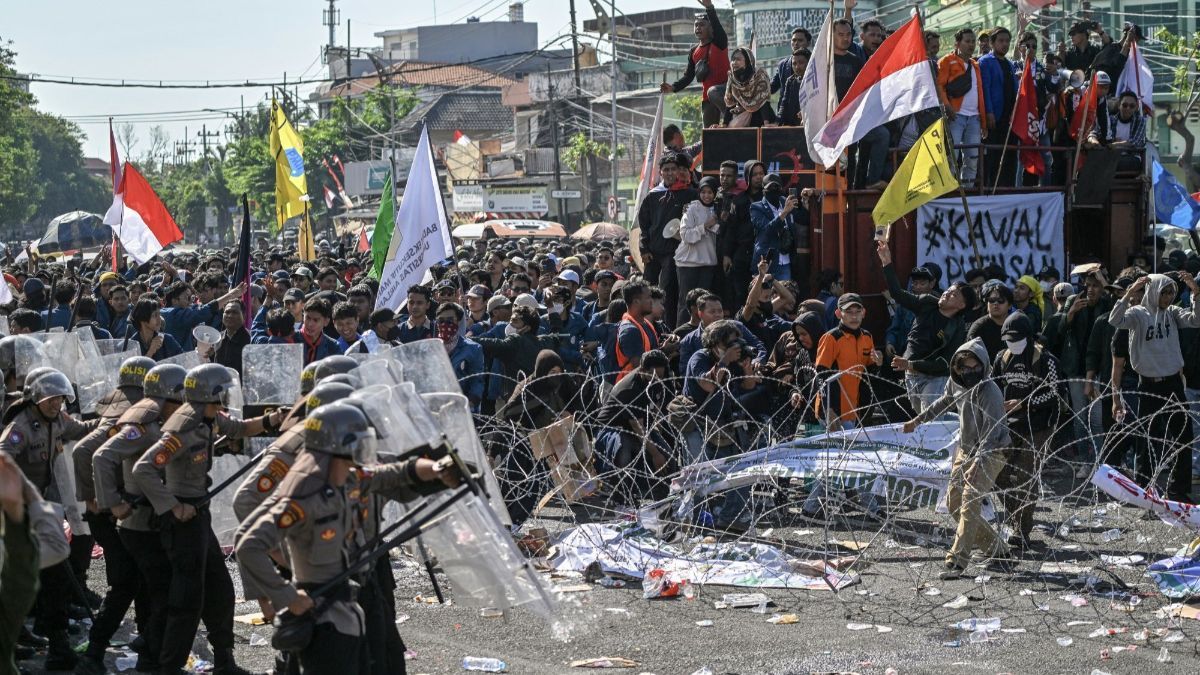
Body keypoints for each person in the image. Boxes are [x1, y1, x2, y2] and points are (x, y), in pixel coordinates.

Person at [235, 402, 457, 674]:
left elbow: (394, 473)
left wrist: (437, 469)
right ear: (336, 447)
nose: (363, 451)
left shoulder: (346, 477)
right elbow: (247, 544)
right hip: (321, 616)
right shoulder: (305, 494)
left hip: (346, 606)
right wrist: (287, 596)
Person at [131, 364, 284, 675]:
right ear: (208, 394)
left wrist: (271, 420)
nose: (225, 397)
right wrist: (172, 507)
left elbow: (238, 429)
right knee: (187, 600)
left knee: (220, 589)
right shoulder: (184, 428)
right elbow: (143, 469)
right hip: (184, 519)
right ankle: (168, 666)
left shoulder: (208, 417)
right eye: (221, 391)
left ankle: (224, 659)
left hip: (199, 518)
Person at [84, 363, 189, 674]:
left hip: (143, 521)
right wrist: (108, 502)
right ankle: (95, 653)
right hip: (134, 521)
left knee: (148, 589)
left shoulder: (153, 418)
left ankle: (148, 652)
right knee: (130, 587)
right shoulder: (143, 422)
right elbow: (98, 455)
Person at [0, 369, 98, 670]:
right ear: (35, 398)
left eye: (59, 399)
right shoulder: (21, 426)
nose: (56, 404)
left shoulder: (57, 420)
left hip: (38, 508)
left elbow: (81, 429)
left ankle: (53, 640)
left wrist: (112, 424)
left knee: (51, 576)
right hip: (15, 512)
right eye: (50, 399)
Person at [905, 338, 1012, 579]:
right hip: (967, 449)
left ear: (983, 366)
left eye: (976, 368)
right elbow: (944, 402)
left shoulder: (989, 391)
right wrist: (918, 420)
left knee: (970, 499)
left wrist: (977, 463)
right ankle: (996, 548)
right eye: (965, 368)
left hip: (993, 451)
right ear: (957, 368)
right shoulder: (956, 383)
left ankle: (957, 560)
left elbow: (992, 433)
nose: (970, 372)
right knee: (954, 502)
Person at [1108, 272, 1200, 501]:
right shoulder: (1138, 314)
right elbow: (1115, 320)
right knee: (1147, 438)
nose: (1168, 297)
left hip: (1172, 384)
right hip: (1147, 384)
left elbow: (1196, 320)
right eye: (1164, 292)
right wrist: (1130, 292)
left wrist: (1195, 292)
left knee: (1183, 435)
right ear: (1154, 292)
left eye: (1171, 292)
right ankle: (1144, 489)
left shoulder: (1173, 314)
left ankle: (1179, 490)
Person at [878, 241, 975, 413]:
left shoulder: (957, 327)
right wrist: (887, 262)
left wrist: (911, 364)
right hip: (910, 373)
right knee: (921, 421)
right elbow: (898, 294)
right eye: (948, 290)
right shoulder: (927, 302)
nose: (946, 293)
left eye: (953, 294)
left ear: (961, 305)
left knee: (929, 419)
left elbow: (944, 363)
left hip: (934, 377)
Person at [992, 312, 1061, 549]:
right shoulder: (1002, 357)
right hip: (1009, 425)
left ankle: (1022, 530)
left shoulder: (1045, 359)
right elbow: (992, 386)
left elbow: (1053, 393)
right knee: (997, 474)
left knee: (1025, 476)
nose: (1013, 343)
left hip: (1039, 426)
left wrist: (1024, 403)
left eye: (1017, 338)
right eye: (1008, 338)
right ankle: (1015, 517)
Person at [832, 18, 889, 189]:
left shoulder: (856, 61)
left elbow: (865, 89)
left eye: (848, 34)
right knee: (840, 160)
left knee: (881, 135)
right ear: (832, 36)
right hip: (830, 120)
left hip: (853, 118)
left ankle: (870, 183)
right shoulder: (823, 61)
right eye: (841, 34)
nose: (845, 38)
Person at [814, 293, 883, 431]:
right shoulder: (831, 338)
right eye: (849, 312)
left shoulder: (867, 337)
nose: (854, 316)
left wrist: (878, 362)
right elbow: (821, 375)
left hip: (857, 409)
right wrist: (828, 410)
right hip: (835, 411)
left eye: (858, 312)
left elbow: (870, 374)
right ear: (839, 313)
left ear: (863, 313)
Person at [660, 0, 730, 127]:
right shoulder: (694, 51)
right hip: (708, 99)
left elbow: (717, 25)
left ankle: (730, 116)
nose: (698, 28)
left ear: (710, 27)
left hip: (726, 93)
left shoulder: (719, 42)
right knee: (709, 135)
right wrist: (673, 87)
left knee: (729, 125)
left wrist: (709, 7)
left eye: (702, 25)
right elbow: (688, 76)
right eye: (696, 25)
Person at [667, 176, 721, 325]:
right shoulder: (691, 208)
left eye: (710, 192)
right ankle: (681, 335)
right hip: (688, 263)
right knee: (686, 302)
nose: (707, 195)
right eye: (703, 192)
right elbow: (685, 235)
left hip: (708, 262)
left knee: (705, 303)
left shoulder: (718, 209)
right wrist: (705, 226)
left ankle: (702, 334)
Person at [938, 28, 987, 188]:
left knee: (972, 158)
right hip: (955, 116)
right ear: (957, 43)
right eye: (967, 41)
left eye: (973, 41)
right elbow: (939, 86)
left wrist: (983, 121)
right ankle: (950, 192)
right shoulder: (946, 61)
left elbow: (980, 93)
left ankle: (968, 191)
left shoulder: (975, 65)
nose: (971, 44)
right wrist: (947, 106)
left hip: (974, 118)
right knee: (952, 157)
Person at [979, 27, 1018, 188]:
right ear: (992, 43)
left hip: (1010, 118)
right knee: (993, 156)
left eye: (1007, 41)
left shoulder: (1010, 64)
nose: (1005, 44)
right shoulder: (985, 62)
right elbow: (985, 88)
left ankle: (1007, 189)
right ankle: (989, 189)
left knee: (1010, 155)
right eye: (1001, 41)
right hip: (995, 116)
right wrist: (988, 112)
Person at [750, 174, 805, 281]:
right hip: (767, 262)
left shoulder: (786, 202)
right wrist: (784, 213)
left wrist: (806, 203)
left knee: (785, 294)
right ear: (763, 190)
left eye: (776, 187)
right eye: (770, 188)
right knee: (765, 296)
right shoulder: (756, 207)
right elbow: (767, 229)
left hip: (786, 261)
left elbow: (801, 220)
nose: (774, 191)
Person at [436, 302, 485, 410]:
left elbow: (477, 381)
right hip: (438, 410)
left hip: (463, 409)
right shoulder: (432, 348)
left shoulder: (472, 349)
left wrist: (470, 403)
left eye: (450, 320)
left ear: (458, 322)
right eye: (441, 321)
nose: (445, 324)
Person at [1086, 91, 1147, 171]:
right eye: (1125, 105)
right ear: (1119, 105)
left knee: (1108, 163)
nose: (1128, 108)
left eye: (1132, 106)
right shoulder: (1110, 120)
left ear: (1136, 107)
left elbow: (1135, 142)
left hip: (1130, 157)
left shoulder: (1140, 121)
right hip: (1110, 156)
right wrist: (1093, 141)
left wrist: (1114, 144)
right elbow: (1093, 133)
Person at [722, 47, 776, 127]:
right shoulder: (732, 78)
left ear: (747, 61)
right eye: (733, 60)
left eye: (738, 59)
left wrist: (766, 124)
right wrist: (724, 124)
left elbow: (763, 101)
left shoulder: (759, 75)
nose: (734, 63)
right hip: (743, 117)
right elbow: (730, 103)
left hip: (761, 117)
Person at [125, 296, 184, 361]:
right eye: (154, 315)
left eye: (159, 314)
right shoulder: (132, 345)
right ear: (142, 319)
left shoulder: (167, 340)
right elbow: (134, 369)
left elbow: (184, 360)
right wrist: (151, 351)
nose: (159, 319)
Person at [967, 283, 1014, 361]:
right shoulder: (979, 327)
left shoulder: (1016, 324)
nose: (995, 303)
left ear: (1009, 305)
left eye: (1001, 300)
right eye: (991, 300)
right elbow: (970, 356)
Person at [770, 27, 812, 94]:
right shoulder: (783, 65)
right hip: (786, 103)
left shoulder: (814, 62)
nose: (796, 43)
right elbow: (772, 88)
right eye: (794, 40)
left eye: (800, 40)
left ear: (808, 43)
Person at [777, 50, 810, 127]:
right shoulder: (790, 81)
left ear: (809, 63)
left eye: (801, 63)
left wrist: (806, 112)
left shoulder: (815, 81)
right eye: (794, 64)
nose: (797, 67)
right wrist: (777, 122)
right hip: (792, 126)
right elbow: (784, 103)